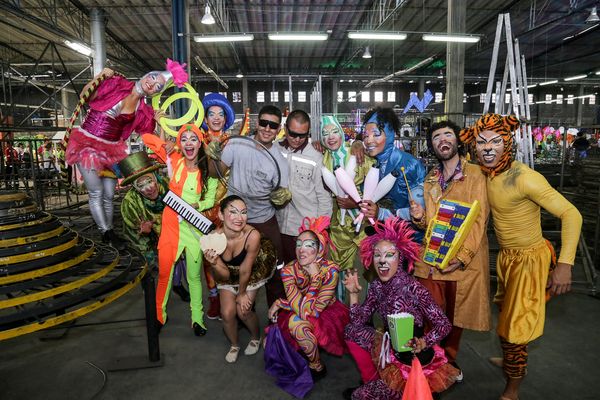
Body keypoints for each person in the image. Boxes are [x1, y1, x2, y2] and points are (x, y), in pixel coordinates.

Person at [460, 113, 583, 400]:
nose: (488, 148)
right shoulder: (486, 173)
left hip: (530, 261)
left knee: (517, 327)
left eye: (496, 141)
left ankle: (512, 389)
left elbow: (571, 214)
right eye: (481, 142)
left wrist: (565, 264)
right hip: (507, 259)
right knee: (505, 315)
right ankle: (509, 361)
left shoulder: (524, 177)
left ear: (508, 143)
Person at [65, 59, 187, 246]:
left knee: (108, 193)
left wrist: (160, 123)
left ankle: (109, 232)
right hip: (87, 144)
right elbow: (85, 96)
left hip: (112, 149)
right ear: (147, 75)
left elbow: (150, 136)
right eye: (153, 78)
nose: (152, 84)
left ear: (157, 92)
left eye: (157, 86)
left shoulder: (142, 110)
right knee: (96, 192)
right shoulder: (116, 84)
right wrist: (100, 76)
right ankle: (105, 232)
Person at [343, 217, 459, 399]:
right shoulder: (376, 286)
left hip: (410, 360)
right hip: (389, 349)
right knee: (352, 330)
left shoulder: (414, 288)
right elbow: (357, 321)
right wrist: (353, 294)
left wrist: (424, 342)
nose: (382, 261)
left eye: (389, 255)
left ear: (401, 257)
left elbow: (443, 325)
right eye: (377, 254)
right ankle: (373, 380)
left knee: (362, 397)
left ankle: (411, 388)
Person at [410, 120, 491, 378]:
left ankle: (447, 363)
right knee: (429, 314)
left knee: (455, 317)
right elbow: (431, 223)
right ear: (432, 145)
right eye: (436, 137)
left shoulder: (476, 174)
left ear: (457, 140)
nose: (442, 140)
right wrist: (419, 217)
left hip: (461, 263)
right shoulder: (431, 178)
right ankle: (429, 361)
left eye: (447, 134)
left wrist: (464, 256)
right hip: (432, 261)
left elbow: (480, 219)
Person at [209, 105, 291, 307]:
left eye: (273, 125)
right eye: (264, 123)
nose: (267, 128)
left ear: (278, 128)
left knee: (274, 270)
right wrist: (213, 156)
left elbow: (281, 197)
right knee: (234, 270)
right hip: (236, 220)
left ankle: (276, 318)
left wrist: (282, 198)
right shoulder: (237, 144)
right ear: (257, 122)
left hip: (264, 220)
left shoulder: (280, 161)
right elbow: (214, 172)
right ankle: (241, 314)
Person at [143, 124, 218, 336]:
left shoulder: (208, 170)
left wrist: (198, 206)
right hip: (171, 227)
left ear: (200, 142)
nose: (188, 143)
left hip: (194, 228)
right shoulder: (173, 161)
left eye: (192, 139)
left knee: (194, 278)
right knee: (165, 274)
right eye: (183, 139)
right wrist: (165, 144)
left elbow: (211, 199)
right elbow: (147, 138)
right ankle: (159, 316)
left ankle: (197, 319)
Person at [268, 216, 348, 381]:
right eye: (298, 244)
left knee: (299, 324)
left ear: (319, 249)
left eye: (308, 245)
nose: (301, 250)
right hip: (302, 309)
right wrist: (314, 281)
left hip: (327, 312)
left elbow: (315, 311)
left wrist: (281, 303)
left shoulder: (331, 269)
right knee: (296, 325)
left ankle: (315, 362)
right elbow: (302, 311)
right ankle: (316, 363)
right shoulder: (289, 270)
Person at [204, 195, 276, 363]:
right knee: (227, 313)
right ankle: (234, 344)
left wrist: (242, 293)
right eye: (233, 212)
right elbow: (225, 276)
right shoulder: (212, 239)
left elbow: (245, 270)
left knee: (243, 310)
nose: (239, 218)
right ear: (221, 215)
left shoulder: (253, 236)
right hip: (227, 271)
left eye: (243, 212)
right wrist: (214, 263)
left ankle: (255, 337)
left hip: (252, 270)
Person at [118, 151, 189, 301]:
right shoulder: (130, 202)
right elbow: (133, 229)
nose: (149, 188)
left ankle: (177, 285)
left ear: (155, 177)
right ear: (134, 187)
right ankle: (150, 298)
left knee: (177, 256)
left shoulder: (166, 185)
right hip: (144, 240)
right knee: (148, 267)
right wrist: (141, 227)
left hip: (168, 229)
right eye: (141, 185)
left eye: (149, 181)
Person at [357, 108, 426, 241]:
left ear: (390, 135)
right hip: (380, 236)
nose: (369, 140)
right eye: (365, 136)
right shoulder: (368, 161)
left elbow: (420, 212)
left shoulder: (410, 165)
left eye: (376, 134)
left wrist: (382, 213)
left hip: (408, 240)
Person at [276, 110, 332, 264]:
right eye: (293, 134)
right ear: (285, 129)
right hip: (278, 226)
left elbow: (324, 196)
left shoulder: (316, 156)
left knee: (306, 275)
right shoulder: (274, 150)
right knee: (281, 273)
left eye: (303, 135)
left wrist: (321, 230)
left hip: (305, 229)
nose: (297, 139)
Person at [320, 115, 373, 274]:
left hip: (364, 220)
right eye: (325, 133)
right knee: (338, 268)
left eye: (335, 131)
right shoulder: (324, 156)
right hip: (340, 224)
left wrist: (357, 202)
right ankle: (341, 299)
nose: (330, 137)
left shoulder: (357, 152)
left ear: (341, 133)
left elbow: (374, 185)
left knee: (373, 265)